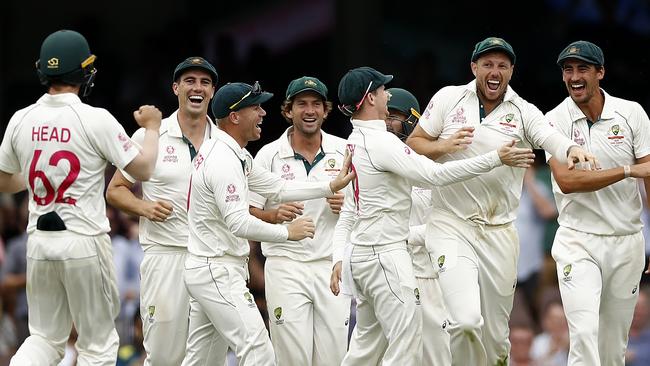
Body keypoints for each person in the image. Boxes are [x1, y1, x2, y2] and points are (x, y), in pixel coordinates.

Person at [405, 36, 597, 366]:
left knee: (495, 339)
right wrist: (445, 146)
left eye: (502, 66)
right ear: (474, 67)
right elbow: (415, 143)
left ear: (511, 71)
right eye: (488, 64)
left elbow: (549, 136)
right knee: (465, 322)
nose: (495, 72)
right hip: (450, 223)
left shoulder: (523, 110)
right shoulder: (449, 98)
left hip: (499, 231)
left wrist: (570, 150)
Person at [329, 66, 536, 365]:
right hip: (388, 257)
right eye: (383, 90)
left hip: (376, 259)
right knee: (404, 348)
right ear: (370, 98)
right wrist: (494, 158)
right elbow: (436, 175)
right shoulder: (383, 143)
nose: (387, 96)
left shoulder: (354, 139)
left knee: (365, 349)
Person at [0, 29, 161, 365]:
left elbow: (4, 180)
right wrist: (152, 128)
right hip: (84, 240)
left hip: (40, 242)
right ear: (84, 72)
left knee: (43, 340)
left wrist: (34, 175)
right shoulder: (94, 118)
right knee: (98, 345)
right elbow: (143, 168)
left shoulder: (21, 119)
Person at [181, 81, 356, 366]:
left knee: (201, 359)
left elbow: (277, 187)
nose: (263, 113)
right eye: (255, 107)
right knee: (259, 352)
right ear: (235, 116)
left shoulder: (234, 154)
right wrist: (287, 232)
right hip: (216, 268)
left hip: (211, 267)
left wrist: (329, 187)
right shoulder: (223, 160)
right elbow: (239, 223)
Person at [106, 55, 218, 365]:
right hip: (165, 257)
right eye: (190, 81)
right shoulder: (149, 136)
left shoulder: (224, 141)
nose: (197, 88)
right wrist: (144, 207)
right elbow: (115, 191)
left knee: (211, 357)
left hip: (212, 260)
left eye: (205, 82)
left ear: (212, 92)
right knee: (165, 356)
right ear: (176, 88)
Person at [546, 40, 650, 365]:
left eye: (582, 69)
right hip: (578, 240)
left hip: (626, 241)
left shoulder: (631, 113)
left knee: (612, 348)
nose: (574, 77)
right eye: (568, 70)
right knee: (584, 334)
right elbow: (568, 181)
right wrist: (626, 170)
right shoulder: (553, 120)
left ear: (600, 73)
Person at [248, 76, 351, 366]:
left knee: (333, 358)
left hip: (331, 266)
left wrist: (348, 206)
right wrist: (273, 216)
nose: (309, 110)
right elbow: (246, 212)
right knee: (293, 358)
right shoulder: (268, 154)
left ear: (326, 110)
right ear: (288, 110)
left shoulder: (344, 150)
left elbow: (370, 207)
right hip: (285, 265)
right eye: (301, 104)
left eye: (316, 104)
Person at [385, 87, 451, 365]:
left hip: (430, 276)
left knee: (438, 356)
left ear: (412, 121)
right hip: (387, 275)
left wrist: (401, 236)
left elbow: (445, 224)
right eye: (384, 116)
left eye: (394, 117)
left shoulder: (434, 165)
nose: (387, 123)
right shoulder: (370, 161)